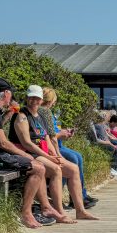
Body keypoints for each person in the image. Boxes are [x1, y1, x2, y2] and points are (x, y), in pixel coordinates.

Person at [0, 78, 57, 230]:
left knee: (37, 165)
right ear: (6, 93)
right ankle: (26, 213)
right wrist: (25, 155)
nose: (12, 97)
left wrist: (9, 113)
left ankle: (43, 207)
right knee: (38, 168)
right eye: (11, 93)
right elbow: (3, 143)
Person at [11, 86, 99, 221]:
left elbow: (47, 138)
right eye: (31, 97)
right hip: (28, 153)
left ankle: (80, 210)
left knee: (73, 169)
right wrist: (48, 157)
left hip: (42, 152)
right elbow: (27, 143)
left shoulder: (40, 116)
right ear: (27, 98)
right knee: (56, 169)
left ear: (41, 100)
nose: (34, 101)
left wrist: (56, 155)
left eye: (37, 98)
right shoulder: (21, 116)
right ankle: (59, 212)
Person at [42, 87, 98, 207]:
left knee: (78, 156)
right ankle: (73, 196)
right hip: (50, 146)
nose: (54, 103)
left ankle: (79, 195)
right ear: (51, 100)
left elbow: (53, 132)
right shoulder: (45, 113)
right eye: (54, 100)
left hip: (58, 144)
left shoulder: (48, 113)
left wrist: (64, 132)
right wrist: (61, 135)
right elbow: (48, 136)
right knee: (73, 158)